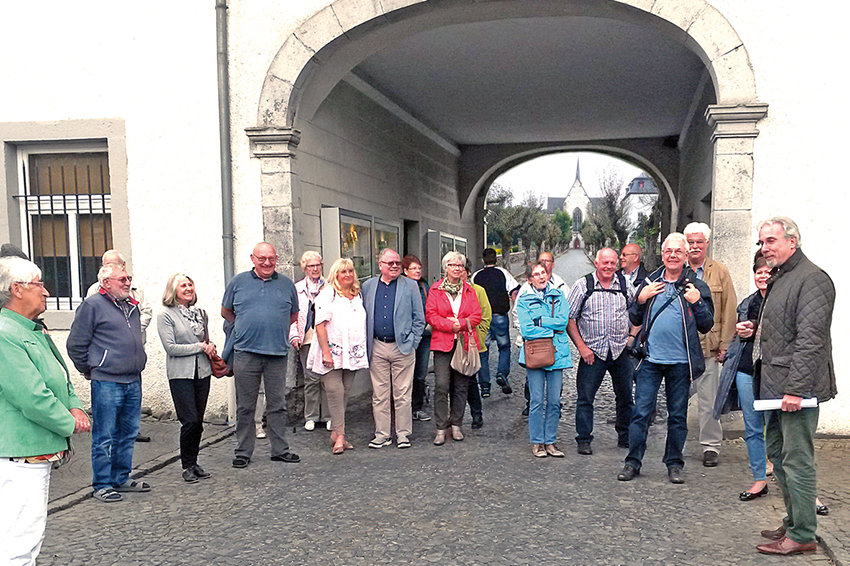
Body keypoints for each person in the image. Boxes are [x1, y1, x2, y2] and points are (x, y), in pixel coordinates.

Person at [751, 217, 836, 556]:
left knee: (797, 461)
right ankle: (793, 521)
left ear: (792, 241)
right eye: (761, 242)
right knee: (779, 456)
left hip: (795, 391)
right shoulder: (783, 276)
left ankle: (803, 533)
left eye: (770, 241)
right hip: (775, 388)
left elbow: (810, 340)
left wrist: (796, 391)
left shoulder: (812, 279)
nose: (764, 248)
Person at [0, 257, 90, 564]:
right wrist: (69, 422)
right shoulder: (5, 333)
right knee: (18, 544)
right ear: (17, 289)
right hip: (17, 455)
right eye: (39, 283)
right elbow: (31, 396)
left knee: (25, 537)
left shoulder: (31, 329)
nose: (47, 292)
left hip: (32, 452)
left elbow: (59, 377)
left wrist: (75, 406)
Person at [617, 233, 714, 484]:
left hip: (681, 363)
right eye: (668, 251)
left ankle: (674, 463)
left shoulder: (695, 286)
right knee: (641, 413)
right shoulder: (650, 282)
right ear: (662, 254)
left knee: (678, 416)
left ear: (685, 256)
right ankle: (632, 462)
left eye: (678, 252)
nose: (673, 256)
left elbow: (707, 324)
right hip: (650, 360)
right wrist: (640, 299)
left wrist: (698, 303)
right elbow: (635, 319)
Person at [67, 263, 150, 502]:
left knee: (128, 432)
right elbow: (76, 345)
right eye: (122, 279)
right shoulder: (92, 306)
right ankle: (102, 483)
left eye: (129, 278)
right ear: (106, 283)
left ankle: (121, 478)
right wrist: (91, 368)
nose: (127, 283)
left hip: (133, 379)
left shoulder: (131, 306)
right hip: (107, 381)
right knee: (105, 435)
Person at [221, 242, 300, 468]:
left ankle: (280, 449)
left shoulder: (286, 284)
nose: (267, 263)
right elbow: (226, 312)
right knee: (246, 405)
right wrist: (248, 325)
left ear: (276, 259)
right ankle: (243, 452)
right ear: (252, 259)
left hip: (277, 352)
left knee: (277, 404)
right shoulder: (237, 282)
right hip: (246, 352)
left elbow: (293, 315)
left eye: (271, 258)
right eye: (261, 258)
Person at [566, 248, 635, 454]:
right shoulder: (582, 286)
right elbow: (570, 318)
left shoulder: (624, 285)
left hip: (619, 349)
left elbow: (638, 310)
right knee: (585, 397)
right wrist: (581, 347)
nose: (608, 266)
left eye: (612, 263)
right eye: (605, 262)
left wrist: (631, 338)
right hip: (592, 352)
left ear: (617, 264)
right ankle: (584, 439)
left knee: (625, 397)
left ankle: (625, 436)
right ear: (596, 263)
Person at [714, 252, 770, 500]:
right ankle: (759, 479)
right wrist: (741, 331)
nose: (763, 277)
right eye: (759, 273)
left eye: (768, 273)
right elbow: (743, 335)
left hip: (774, 374)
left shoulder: (783, 301)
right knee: (753, 428)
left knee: (783, 431)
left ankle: (804, 490)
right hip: (746, 371)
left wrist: (756, 330)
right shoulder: (748, 303)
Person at [683, 222, 737, 468]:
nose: (694, 247)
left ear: (706, 244)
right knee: (677, 400)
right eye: (690, 242)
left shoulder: (720, 272)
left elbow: (729, 309)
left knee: (709, 400)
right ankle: (676, 445)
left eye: (699, 242)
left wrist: (725, 343)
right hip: (680, 347)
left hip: (710, 347)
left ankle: (710, 446)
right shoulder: (676, 270)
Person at [86, 249, 153, 443]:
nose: (108, 268)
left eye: (113, 264)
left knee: (132, 397)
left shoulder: (136, 288)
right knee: (107, 418)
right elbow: (84, 332)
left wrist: (130, 329)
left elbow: (146, 311)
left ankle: (132, 428)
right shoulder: (94, 291)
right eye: (105, 265)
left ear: (123, 266)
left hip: (133, 355)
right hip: (108, 364)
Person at [362, 248, 426, 449]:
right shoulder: (368, 286)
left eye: (397, 263)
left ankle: (403, 434)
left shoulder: (411, 286)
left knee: (402, 393)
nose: (395, 266)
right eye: (390, 263)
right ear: (380, 265)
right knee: (380, 394)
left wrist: (413, 342)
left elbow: (419, 318)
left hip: (403, 346)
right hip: (377, 346)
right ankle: (382, 434)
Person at [156, 273, 216, 483]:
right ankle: (186, 465)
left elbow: (205, 339)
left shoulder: (200, 313)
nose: (188, 288)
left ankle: (194, 462)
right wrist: (200, 347)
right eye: (183, 285)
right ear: (173, 290)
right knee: (189, 420)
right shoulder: (165, 315)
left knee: (198, 421)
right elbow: (171, 347)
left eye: (190, 284)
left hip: (203, 372)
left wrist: (210, 347)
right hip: (181, 374)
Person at [307, 258, 368, 454]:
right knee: (334, 391)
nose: (348, 274)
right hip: (331, 353)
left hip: (351, 354)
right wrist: (326, 351)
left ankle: (335, 432)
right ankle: (340, 435)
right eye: (343, 272)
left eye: (350, 271)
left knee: (344, 393)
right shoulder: (327, 294)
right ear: (336, 274)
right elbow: (319, 324)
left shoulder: (357, 294)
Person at [516, 261, 571, 458]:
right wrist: (551, 327)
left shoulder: (559, 296)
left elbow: (563, 322)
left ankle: (551, 441)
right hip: (535, 353)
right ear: (529, 279)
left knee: (555, 401)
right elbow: (527, 330)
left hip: (557, 353)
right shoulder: (523, 300)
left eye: (543, 273)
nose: (541, 276)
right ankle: (537, 441)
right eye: (536, 274)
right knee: (537, 400)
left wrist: (540, 321)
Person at [427, 251, 483, 445]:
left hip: (464, 342)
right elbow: (431, 316)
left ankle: (457, 424)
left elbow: (477, 315)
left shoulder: (469, 290)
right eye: (453, 265)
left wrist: (462, 323)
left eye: (460, 266)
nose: (457, 268)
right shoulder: (435, 290)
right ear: (445, 268)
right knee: (441, 385)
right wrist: (450, 326)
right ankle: (441, 427)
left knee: (461, 386)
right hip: (442, 343)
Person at [289, 251, 330, 431]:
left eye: (318, 265)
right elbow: (291, 315)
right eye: (311, 266)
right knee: (311, 378)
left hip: (327, 337)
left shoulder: (330, 286)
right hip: (306, 337)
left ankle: (329, 416)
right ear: (304, 268)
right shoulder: (296, 289)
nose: (315, 269)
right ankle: (311, 416)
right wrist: (294, 335)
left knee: (328, 378)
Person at [472, 247, 519, 397]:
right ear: (496, 259)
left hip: (481, 318)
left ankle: (485, 386)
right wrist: (514, 307)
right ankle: (502, 373)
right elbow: (514, 291)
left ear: (482, 260)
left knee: (483, 351)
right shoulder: (503, 273)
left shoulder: (476, 276)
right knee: (504, 347)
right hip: (499, 315)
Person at [403, 254, 432, 422]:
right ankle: (403, 407)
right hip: (407, 335)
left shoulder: (424, 286)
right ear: (405, 271)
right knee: (405, 374)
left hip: (425, 334)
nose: (417, 271)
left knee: (420, 372)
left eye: (419, 268)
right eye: (413, 268)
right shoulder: (402, 286)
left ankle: (417, 407)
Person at [463, 260, 491, 429]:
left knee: (471, 380)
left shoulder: (478, 291)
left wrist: (477, 335)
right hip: (452, 342)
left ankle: (476, 413)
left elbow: (486, 316)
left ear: (467, 272)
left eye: (462, 269)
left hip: (472, 342)